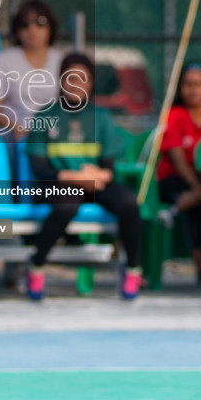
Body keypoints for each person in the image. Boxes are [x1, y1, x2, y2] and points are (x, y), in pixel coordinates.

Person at [22, 52, 145, 301]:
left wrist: (97, 175)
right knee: (66, 205)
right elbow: (40, 168)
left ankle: (132, 268)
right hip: (57, 185)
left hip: (93, 185)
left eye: (83, 79)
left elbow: (108, 168)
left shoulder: (101, 117)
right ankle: (36, 264)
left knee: (128, 202)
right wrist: (73, 176)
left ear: (90, 83)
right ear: (60, 81)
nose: (76, 85)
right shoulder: (45, 116)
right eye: (70, 78)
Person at [154, 62, 201, 284]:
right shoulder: (173, 115)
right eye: (187, 85)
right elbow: (176, 158)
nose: (193, 90)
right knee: (199, 204)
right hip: (175, 179)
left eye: (198, 84)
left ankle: (175, 210)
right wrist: (197, 187)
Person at [0, 0, 65, 139]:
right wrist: (17, 128)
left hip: (53, 135)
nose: (32, 29)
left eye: (40, 22)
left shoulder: (62, 60)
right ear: (17, 30)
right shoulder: (4, 59)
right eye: (24, 24)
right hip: (14, 135)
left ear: (51, 27)